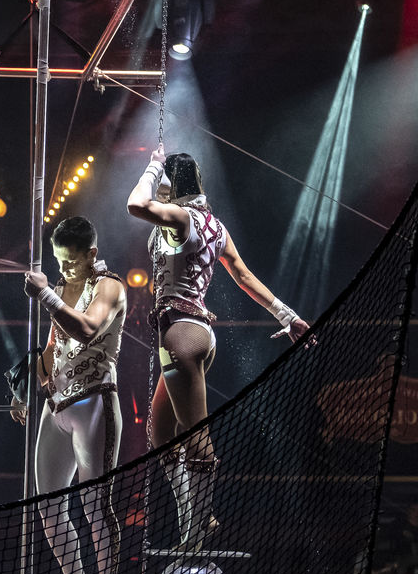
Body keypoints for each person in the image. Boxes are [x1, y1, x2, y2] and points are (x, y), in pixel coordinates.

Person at [126, 147, 309, 551]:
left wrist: (153, 166)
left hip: (180, 334)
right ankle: (196, 517)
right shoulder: (215, 225)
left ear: (173, 184)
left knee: (195, 437)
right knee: (160, 433)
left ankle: (195, 534)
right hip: (197, 334)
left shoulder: (181, 218)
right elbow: (243, 276)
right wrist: (286, 314)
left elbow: (135, 204)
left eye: (165, 182)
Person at [18, 216, 127, 574]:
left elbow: (86, 329)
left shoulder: (109, 287)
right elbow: (54, 345)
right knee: (47, 506)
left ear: (91, 254)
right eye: (58, 260)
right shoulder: (62, 287)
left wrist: (46, 295)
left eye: (71, 260)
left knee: (95, 506)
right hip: (57, 405)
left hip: (94, 402)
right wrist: (26, 387)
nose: (63, 268)